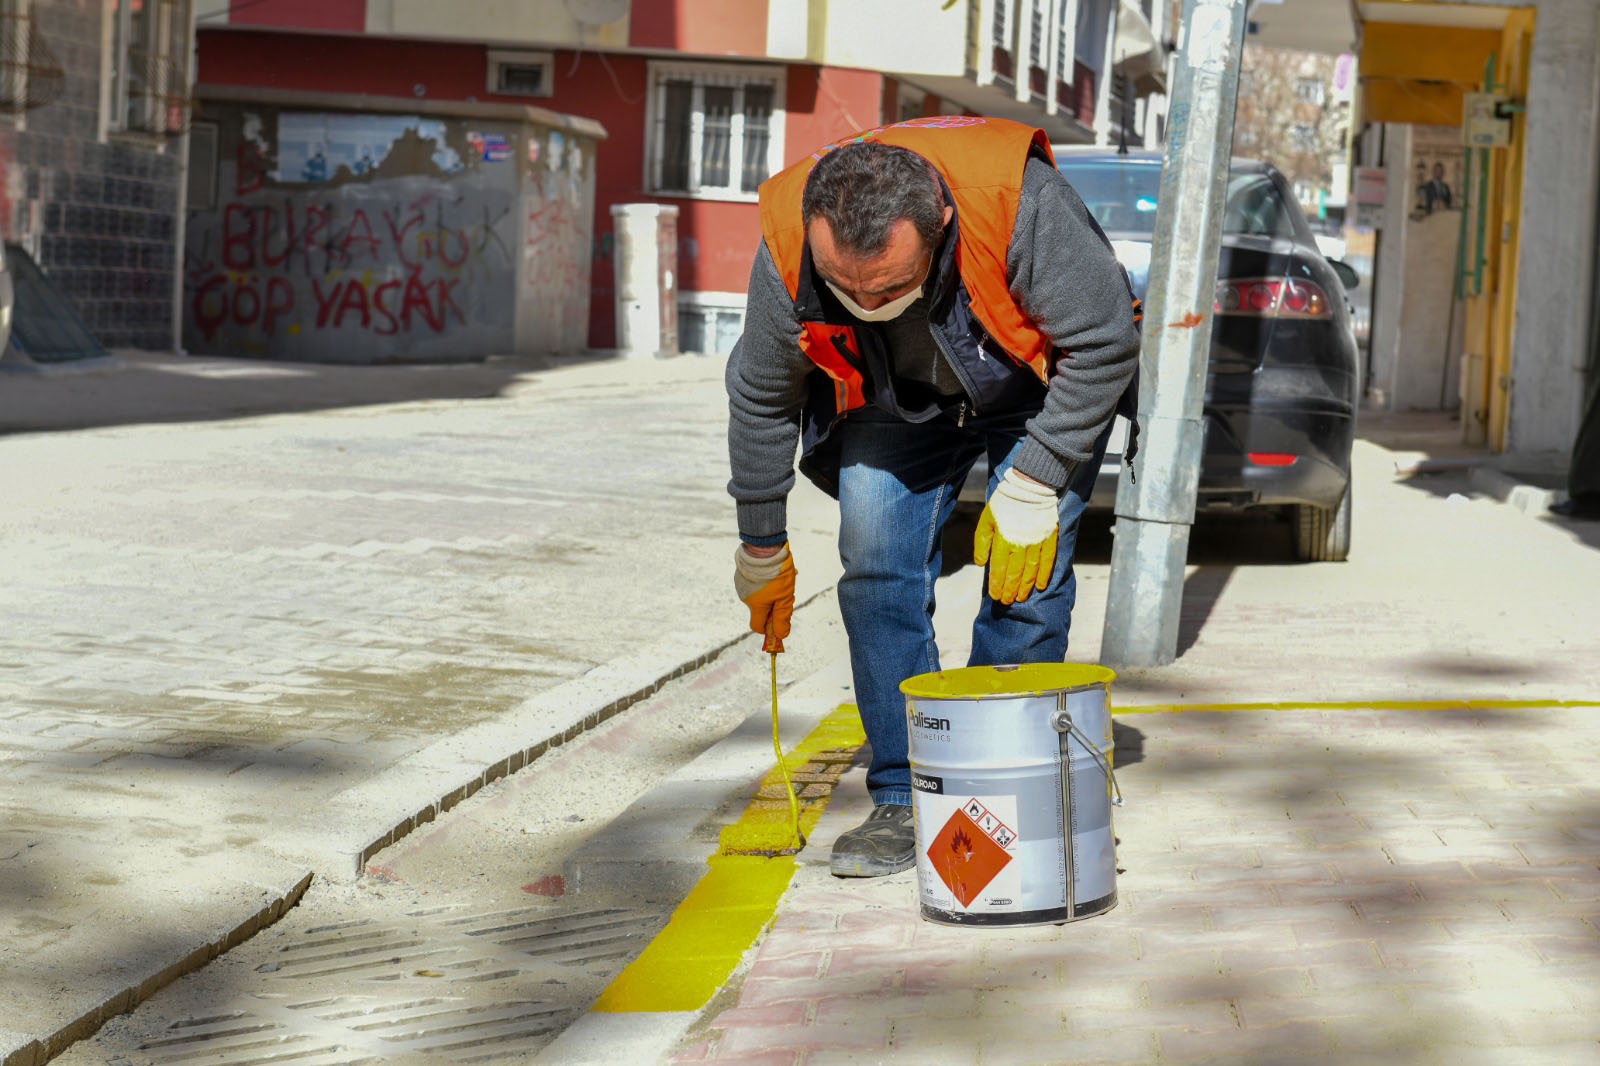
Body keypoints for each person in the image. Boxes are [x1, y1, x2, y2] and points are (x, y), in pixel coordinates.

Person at [726, 116, 1140, 878]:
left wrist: (1036, 475)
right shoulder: (788, 237)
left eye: (885, 286)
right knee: (875, 572)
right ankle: (903, 797)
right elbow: (760, 393)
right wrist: (760, 542)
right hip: (895, 400)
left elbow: (1107, 338)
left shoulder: (1016, 203)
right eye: (844, 288)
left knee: (1025, 580)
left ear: (939, 222)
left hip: (1030, 391)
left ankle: (997, 778)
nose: (863, 301)